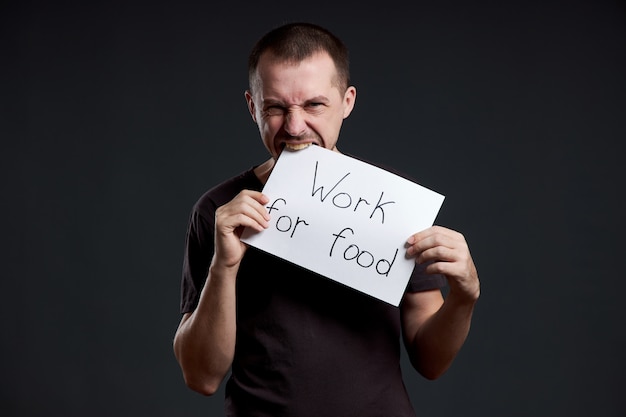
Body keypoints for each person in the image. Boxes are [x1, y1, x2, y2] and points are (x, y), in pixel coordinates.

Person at [173, 22, 480, 417]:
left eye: (314, 105)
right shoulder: (218, 210)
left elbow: (431, 361)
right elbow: (201, 377)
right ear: (253, 107)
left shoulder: (393, 203)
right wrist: (224, 266)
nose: (295, 126)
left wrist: (464, 297)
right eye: (276, 107)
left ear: (347, 101)